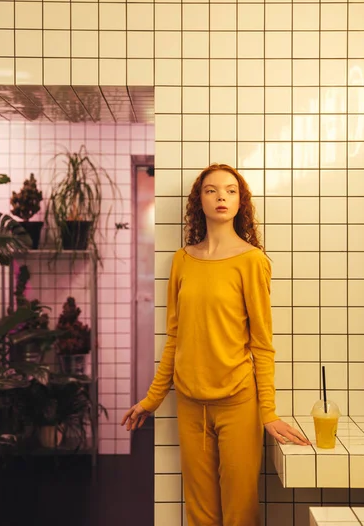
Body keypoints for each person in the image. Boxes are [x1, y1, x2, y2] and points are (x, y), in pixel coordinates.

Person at [121, 163, 310, 526]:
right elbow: (174, 338)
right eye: (211, 190)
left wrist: (267, 411)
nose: (221, 196)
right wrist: (153, 398)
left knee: (240, 512)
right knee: (200, 514)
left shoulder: (252, 261)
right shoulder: (182, 260)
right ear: (199, 201)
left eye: (230, 190)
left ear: (241, 202)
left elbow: (262, 344)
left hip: (238, 402)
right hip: (190, 403)